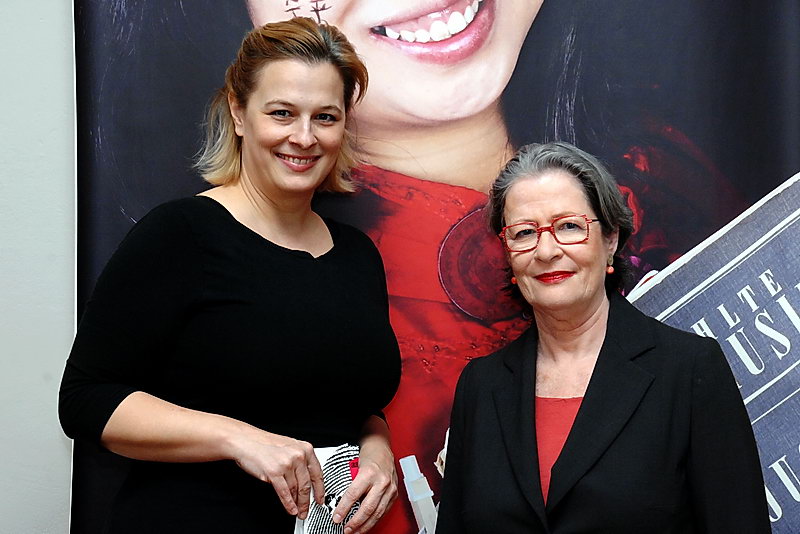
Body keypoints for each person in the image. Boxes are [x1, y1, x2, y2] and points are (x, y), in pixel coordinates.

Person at [59, 18, 401, 534]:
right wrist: (239, 438)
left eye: (325, 117)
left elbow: (349, 402)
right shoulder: (180, 235)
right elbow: (85, 400)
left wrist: (377, 447)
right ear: (239, 113)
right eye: (282, 113)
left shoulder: (357, 256)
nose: (304, 137)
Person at [435, 142, 770, 533]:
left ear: (611, 239)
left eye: (569, 226)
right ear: (508, 253)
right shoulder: (481, 386)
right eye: (524, 233)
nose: (546, 251)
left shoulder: (688, 370)